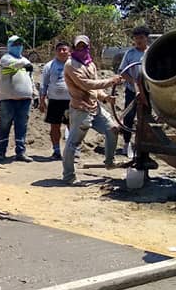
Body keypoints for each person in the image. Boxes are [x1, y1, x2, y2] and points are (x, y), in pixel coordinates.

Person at [62, 35, 125, 184]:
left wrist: (105, 97)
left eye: (83, 46)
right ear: (73, 47)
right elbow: (86, 84)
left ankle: (109, 162)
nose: (81, 49)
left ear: (88, 47)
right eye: (78, 46)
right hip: (80, 109)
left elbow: (95, 89)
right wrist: (111, 81)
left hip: (95, 108)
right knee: (74, 143)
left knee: (113, 129)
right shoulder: (70, 65)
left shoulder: (90, 64)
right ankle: (69, 175)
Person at [0, 35, 37, 162]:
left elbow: (31, 79)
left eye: (20, 44)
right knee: (5, 125)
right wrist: (25, 63)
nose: (18, 47)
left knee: (21, 126)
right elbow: (13, 65)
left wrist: (35, 94)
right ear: (9, 46)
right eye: (15, 44)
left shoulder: (25, 61)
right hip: (7, 99)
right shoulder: (5, 59)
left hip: (25, 100)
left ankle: (20, 152)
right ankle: (1, 152)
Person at [117, 26, 150, 157]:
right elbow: (122, 71)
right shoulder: (130, 54)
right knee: (129, 117)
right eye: (136, 38)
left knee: (146, 118)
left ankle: (144, 145)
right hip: (132, 91)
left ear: (146, 38)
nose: (138, 41)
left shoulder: (151, 52)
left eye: (141, 38)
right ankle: (126, 144)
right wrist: (134, 82)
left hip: (148, 91)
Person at [39, 41, 72, 160]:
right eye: (59, 50)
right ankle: (56, 151)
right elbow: (44, 84)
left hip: (71, 101)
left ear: (69, 51)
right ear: (56, 52)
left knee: (72, 126)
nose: (62, 52)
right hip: (54, 101)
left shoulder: (74, 64)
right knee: (55, 127)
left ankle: (73, 151)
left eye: (64, 49)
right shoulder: (49, 66)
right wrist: (42, 101)